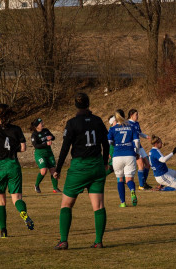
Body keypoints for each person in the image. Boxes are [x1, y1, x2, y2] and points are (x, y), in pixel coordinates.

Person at [53, 93, 110, 250]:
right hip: (97, 166)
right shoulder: (98, 121)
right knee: (98, 206)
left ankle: (63, 240)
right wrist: (104, 163)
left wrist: (57, 169)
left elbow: (65, 147)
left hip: (79, 167)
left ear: (75, 105)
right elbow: (106, 143)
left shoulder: (72, 123)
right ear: (88, 103)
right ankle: (98, 241)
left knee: (66, 205)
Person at [0, 104, 34, 238]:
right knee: (16, 198)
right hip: (12, 164)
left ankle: (3, 231)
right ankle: (23, 213)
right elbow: (23, 148)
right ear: (9, 115)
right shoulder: (16, 129)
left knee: (0, 200)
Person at [108, 109, 139, 207]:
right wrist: (137, 152)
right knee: (129, 179)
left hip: (117, 156)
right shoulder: (131, 127)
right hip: (129, 155)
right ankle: (132, 191)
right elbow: (137, 142)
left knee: (120, 179)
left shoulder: (112, 129)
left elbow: (108, 142)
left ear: (116, 118)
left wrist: (109, 152)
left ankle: (123, 202)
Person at [30, 118, 61, 193]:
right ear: (37, 126)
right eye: (41, 123)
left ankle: (55, 188)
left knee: (53, 170)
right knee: (44, 171)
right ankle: (36, 185)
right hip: (40, 154)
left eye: (42, 122)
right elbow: (36, 145)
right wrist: (45, 144)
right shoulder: (34, 134)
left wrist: (51, 137)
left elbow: (53, 137)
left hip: (49, 153)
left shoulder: (46, 130)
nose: (42, 124)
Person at [128, 109, 153, 190]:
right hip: (133, 146)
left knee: (148, 164)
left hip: (139, 146)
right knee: (141, 164)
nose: (137, 116)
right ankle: (141, 185)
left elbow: (139, 133)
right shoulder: (127, 123)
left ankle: (143, 183)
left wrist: (147, 136)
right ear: (131, 115)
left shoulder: (137, 123)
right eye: (136, 115)